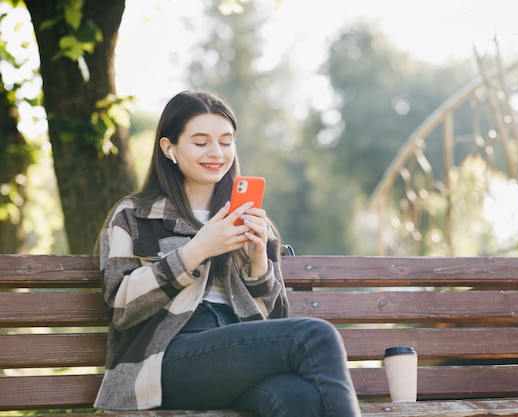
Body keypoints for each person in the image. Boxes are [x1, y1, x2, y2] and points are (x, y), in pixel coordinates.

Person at [94, 90, 362, 417]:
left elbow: (275, 321)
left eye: (226, 141)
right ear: (169, 148)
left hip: (236, 354)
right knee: (316, 335)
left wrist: (258, 261)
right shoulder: (134, 215)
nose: (217, 153)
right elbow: (120, 306)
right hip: (164, 359)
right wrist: (197, 250)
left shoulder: (247, 215)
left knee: (297, 397)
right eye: (201, 141)